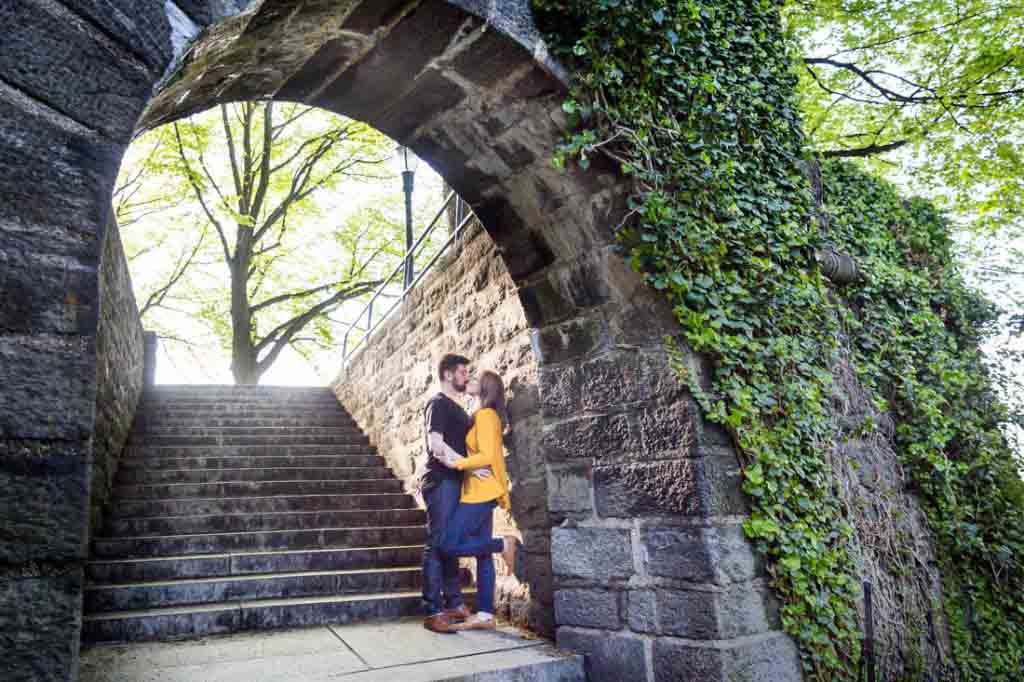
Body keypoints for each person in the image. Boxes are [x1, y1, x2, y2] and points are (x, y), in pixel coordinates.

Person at [433, 370, 522, 631]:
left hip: (481, 492)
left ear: (484, 388)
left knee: (448, 543)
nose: (469, 381)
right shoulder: (486, 415)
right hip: (480, 489)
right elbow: (487, 455)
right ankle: (485, 614)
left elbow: (485, 456)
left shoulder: (485, 416)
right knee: (482, 555)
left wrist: (458, 462)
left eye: (474, 380)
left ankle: (503, 543)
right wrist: (473, 465)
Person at [421, 353, 487, 634]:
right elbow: (435, 445)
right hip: (441, 480)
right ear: (447, 374)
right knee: (437, 544)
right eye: (462, 372)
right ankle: (433, 610)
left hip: (455, 481)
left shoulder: (457, 407)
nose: (466, 376)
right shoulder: (438, 404)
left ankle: (455, 603)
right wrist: (466, 466)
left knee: (451, 543)